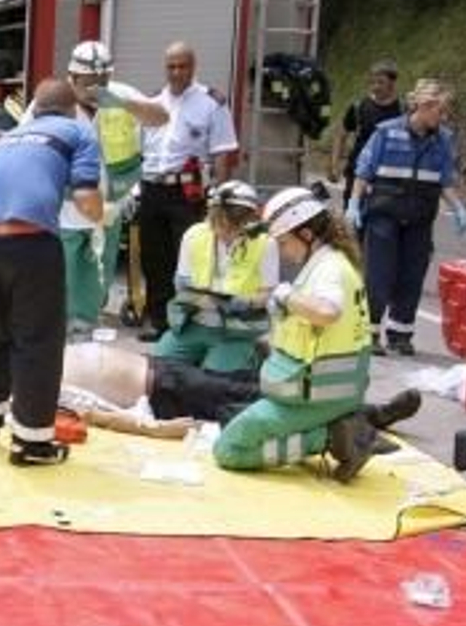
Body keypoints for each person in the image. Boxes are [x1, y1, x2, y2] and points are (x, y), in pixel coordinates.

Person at [0, 78, 103, 466]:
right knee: (37, 340)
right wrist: (102, 218)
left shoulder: (11, 136)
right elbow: (84, 196)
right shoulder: (78, 131)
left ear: (35, 109)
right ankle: (32, 443)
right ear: (72, 108)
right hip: (29, 240)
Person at [212, 186, 378, 482]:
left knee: (230, 449)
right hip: (308, 390)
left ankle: (332, 436)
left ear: (306, 233)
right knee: (231, 418)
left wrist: (285, 295)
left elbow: (327, 311)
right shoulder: (326, 262)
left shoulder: (329, 267)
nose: (284, 253)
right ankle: (339, 429)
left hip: (317, 396)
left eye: (284, 242)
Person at [59, 341, 420, 440]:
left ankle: (346, 402)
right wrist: (151, 428)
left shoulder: (32, 353)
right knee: (260, 401)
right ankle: (368, 414)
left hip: (163, 370)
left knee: (251, 384)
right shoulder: (31, 391)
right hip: (163, 392)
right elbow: (90, 415)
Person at [348, 77, 466, 356]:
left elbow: (444, 181)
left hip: (419, 219)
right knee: (379, 276)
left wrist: (458, 208)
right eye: (441, 111)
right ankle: (369, 334)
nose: (444, 117)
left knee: (412, 277)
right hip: (384, 216)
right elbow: (364, 172)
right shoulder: (386, 133)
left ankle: (400, 335)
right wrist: (354, 203)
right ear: (425, 107)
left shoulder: (443, 141)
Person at [136, 42, 240, 341]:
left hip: (188, 193)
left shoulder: (212, 103)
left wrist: (219, 198)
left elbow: (221, 153)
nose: (177, 72)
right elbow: (140, 150)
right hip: (152, 188)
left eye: (183, 66)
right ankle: (159, 322)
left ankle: (188, 323)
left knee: (191, 259)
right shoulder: (152, 101)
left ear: (193, 66)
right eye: (171, 66)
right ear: (165, 67)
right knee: (154, 259)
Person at [61, 41, 168, 329]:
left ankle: (86, 326)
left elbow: (161, 117)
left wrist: (120, 102)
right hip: (66, 212)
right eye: (88, 82)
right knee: (63, 279)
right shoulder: (54, 101)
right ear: (72, 77)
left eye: (103, 80)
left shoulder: (120, 95)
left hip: (109, 209)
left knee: (98, 278)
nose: (96, 88)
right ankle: (64, 331)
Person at [152, 180, 278, 373]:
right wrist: (200, 300)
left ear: (251, 221)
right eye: (221, 225)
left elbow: (268, 294)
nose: (227, 234)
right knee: (156, 369)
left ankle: (253, 355)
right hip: (194, 323)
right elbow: (181, 285)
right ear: (211, 217)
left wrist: (241, 302)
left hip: (238, 330)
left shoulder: (265, 243)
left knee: (213, 383)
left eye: (236, 228)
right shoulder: (194, 235)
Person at [331, 59, 405, 206]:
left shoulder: (403, 110)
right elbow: (342, 135)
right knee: (352, 222)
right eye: (372, 82)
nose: (375, 87)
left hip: (389, 176)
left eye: (381, 82)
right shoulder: (359, 107)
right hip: (358, 172)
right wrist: (334, 165)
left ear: (393, 83)